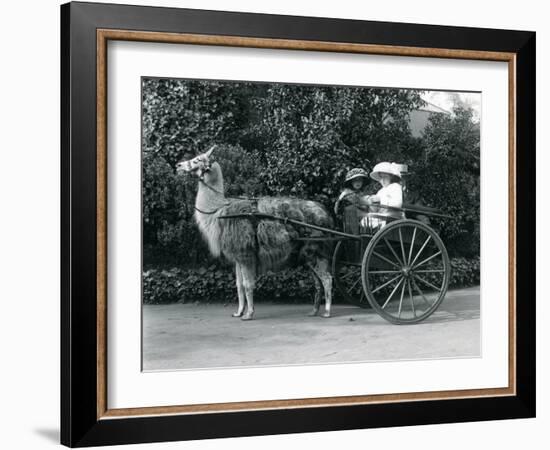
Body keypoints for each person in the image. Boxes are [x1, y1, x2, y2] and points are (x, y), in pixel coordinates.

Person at [361, 162, 404, 230]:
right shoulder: (381, 191)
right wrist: (371, 201)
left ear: (392, 177)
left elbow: (397, 204)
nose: (382, 180)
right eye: (381, 177)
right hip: (382, 216)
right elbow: (376, 207)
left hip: (393, 217)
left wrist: (380, 200)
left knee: (374, 221)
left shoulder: (396, 187)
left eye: (385, 177)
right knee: (366, 219)